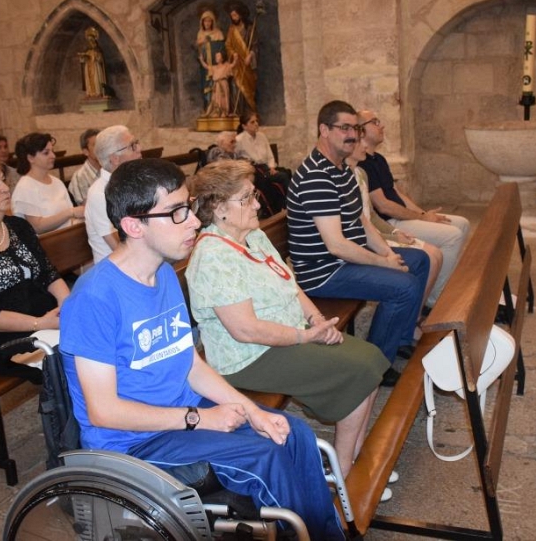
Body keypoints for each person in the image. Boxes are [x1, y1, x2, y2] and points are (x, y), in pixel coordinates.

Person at [60, 158, 346, 541]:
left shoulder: (161, 272)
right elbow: (104, 411)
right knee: (265, 457)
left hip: (181, 411)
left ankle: (328, 534)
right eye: (177, 212)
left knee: (290, 432)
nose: (194, 221)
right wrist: (199, 418)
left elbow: (190, 364)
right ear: (134, 226)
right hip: (133, 442)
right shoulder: (95, 298)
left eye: (188, 207)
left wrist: (248, 410)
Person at [187, 160, 388, 477]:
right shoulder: (213, 255)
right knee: (358, 373)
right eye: (246, 198)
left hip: (287, 335)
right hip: (248, 357)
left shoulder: (253, 236)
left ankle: (355, 456)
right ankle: (345, 472)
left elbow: (289, 282)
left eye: (253, 194)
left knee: (372, 358)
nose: (257, 203)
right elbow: (245, 330)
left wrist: (316, 319)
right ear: (219, 208)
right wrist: (307, 336)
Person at [287, 100, 430, 382]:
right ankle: (375, 365)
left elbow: (362, 221)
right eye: (344, 128)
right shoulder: (317, 175)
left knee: (420, 260)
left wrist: (388, 253)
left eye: (354, 128)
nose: (352, 134)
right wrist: (384, 263)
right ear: (324, 130)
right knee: (404, 286)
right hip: (323, 272)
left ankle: (398, 339)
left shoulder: (342, 169)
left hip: (342, 261)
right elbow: (336, 245)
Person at [357, 109, 470, 306]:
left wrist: (423, 214)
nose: (381, 125)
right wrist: (421, 218)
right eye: (375, 122)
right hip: (392, 222)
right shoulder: (363, 164)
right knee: (453, 236)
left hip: (403, 217)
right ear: (361, 131)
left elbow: (396, 193)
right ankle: (435, 298)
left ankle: (441, 286)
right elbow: (384, 206)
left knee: (462, 223)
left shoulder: (379, 159)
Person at [0, 156, 69, 384]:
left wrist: (67, 305)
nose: (4, 188)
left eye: (2, 180)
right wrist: (40, 324)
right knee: (69, 358)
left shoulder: (18, 227)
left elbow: (49, 273)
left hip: (42, 317)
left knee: (95, 337)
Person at [345, 131, 442, 311]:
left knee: (434, 255)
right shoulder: (343, 179)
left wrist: (396, 232)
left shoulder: (361, 174)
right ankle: (412, 315)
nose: (365, 146)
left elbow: (371, 216)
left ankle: (415, 313)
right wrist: (395, 239)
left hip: (376, 235)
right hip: (366, 242)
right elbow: (359, 226)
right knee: (430, 256)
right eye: (359, 142)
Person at [85, 125, 142, 264]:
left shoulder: (132, 182)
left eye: (136, 143)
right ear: (115, 159)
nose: (139, 149)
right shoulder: (99, 194)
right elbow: (119, 245)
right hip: (118, 270)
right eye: (132, 146)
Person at [11, 133, 84, 234]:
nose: (53, 156)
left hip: (67, 238)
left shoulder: (57, 182)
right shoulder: (25, 187)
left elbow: (70, 221)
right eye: (46, 153)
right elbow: (37, 227)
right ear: (30, 158)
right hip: (45, 244)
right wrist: (70, 213)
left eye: (52, 151)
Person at [236, 111, 290, 215]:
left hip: (266, 167)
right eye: (252, 122)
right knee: (281, 177)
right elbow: (237, 159)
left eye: (257, 121)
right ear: (244, 126)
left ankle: (285, 204)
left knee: (287, 172)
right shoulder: (239, 140)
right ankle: (280, 207)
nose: (256, 124)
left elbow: (270, 155)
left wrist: (272, 167)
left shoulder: (262, 136)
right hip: (253, 169)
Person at [225, 2, 257, 113]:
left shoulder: (250, 28)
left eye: (235, 15)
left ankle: (249, 113)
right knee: (235, 87)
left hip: (247, 63)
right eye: (232, 16)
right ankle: (238, 113)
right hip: (236, 63)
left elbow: (255, 44)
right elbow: (228, 44)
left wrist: (251, 55)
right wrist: (233, 53)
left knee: (248, 88)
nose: (233, 18)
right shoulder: (231, 30)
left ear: (241, 15)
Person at [195, 10, 226, 111]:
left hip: (216, 65)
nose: (207, 23)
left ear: (213, 22)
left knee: (218, 88)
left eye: (209, 21)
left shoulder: (218, 33)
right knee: (206, 88)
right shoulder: (200, 34)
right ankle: (208, 108)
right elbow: (198, 51)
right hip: (205, 67)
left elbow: (222, 49)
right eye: (205, 21)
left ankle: (219, 109)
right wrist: (201, 43)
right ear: (202, 22)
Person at [68, 128, 100, 205]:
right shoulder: (79, 177)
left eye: (101, 144)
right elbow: (87, 208)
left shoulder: (110, 168)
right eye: (95, 145)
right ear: (86, 152)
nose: (100, 148)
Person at [201, 51, 238, 118]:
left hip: (223, 85)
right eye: (216, 56)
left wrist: (235, 58)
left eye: (218, 56)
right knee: (215, 99)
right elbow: (206, 67)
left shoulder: (226, 66)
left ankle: (224, 112)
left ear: (222, 58)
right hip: (216, 85)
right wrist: (201, 60)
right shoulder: (214, 68)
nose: (216, 58)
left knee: (224, 99)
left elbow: (233, 64)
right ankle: (216, 111)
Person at [77, 26, 107, 98]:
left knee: (96, 79)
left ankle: (98, 93)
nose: (90, 42)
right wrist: (82, 57)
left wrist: (96, 56)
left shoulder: (98, 49)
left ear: (94, 40)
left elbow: (101, 60)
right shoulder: (87, 50)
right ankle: (90, 93)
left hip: (95, 66)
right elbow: (83, 61)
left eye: (91, 40)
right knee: (89, 80)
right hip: (88, 67)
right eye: (89, 40)